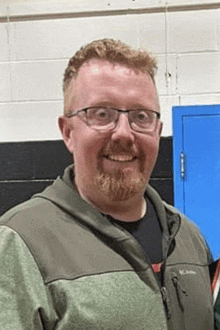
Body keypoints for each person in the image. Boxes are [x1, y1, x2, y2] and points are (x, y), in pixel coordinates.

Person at [0, 39, 214, 329]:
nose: (124, 134)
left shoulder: (188, 238)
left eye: (141, 116)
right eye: (102, 114)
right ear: (68, 132)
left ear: (158, 131)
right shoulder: (19, 244)